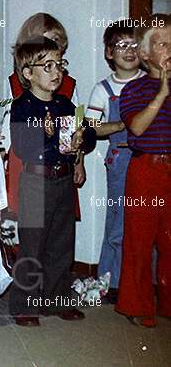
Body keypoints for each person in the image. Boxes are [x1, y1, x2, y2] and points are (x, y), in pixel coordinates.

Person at [8, 37, 95, 327]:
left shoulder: (65, 104)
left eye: (60, 64)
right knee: (32, 244)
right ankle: (25, 305)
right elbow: (23, 147)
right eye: (47, 66)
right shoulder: (22, 107)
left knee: (62, 242)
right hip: (36, 181)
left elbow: (86, 135)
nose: (56, 71)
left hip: (63, 180)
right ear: (28, 72)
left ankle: (56, 300)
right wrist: (47, 135)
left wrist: (84, 137)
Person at [2, 13, 86, 222]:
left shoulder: (69, 84)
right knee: (30, 217)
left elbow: (76, 126)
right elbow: (7, 126)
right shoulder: (13, 84)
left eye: (55, 43)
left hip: (60, 162)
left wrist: (79, 160)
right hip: (27, 160)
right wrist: (2, 158)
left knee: (58, 220)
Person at [116, 13, 171, 328]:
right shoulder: (134, 90)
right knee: (139, 240)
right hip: (145, 171)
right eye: (162, 44)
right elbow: (136, 127)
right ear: (146, 54)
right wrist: (161, 93)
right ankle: (136, 305)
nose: (169, 50)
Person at [85, 19, 143, 303]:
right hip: (121, 158)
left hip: (150, 159)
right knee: (119, 221)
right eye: (121, 45)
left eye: (134, 44)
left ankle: (147, 283)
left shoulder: (151, 83)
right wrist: (122, 124)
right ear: (109, 53)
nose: (129, 50)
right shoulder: (103, 89)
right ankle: (112, 282)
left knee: (147, 220)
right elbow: (91, 127)